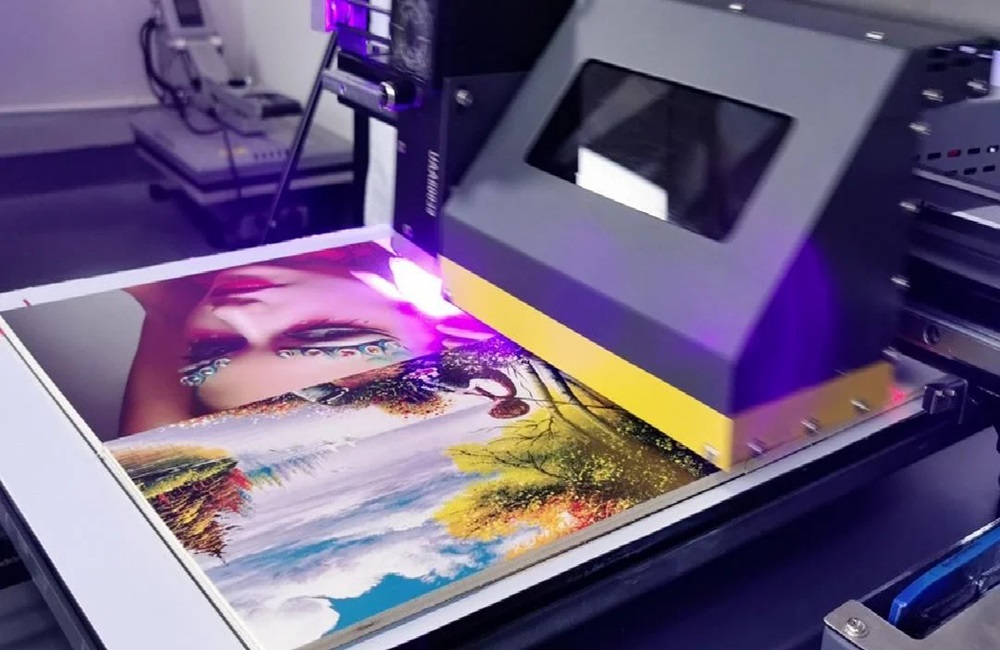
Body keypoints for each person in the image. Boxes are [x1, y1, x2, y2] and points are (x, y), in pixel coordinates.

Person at [119, 242, 492, 436]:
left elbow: (169, 308)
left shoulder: (178, 269)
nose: (233, 314)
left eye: (213, 347)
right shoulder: (450, 243)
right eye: (322, 333)